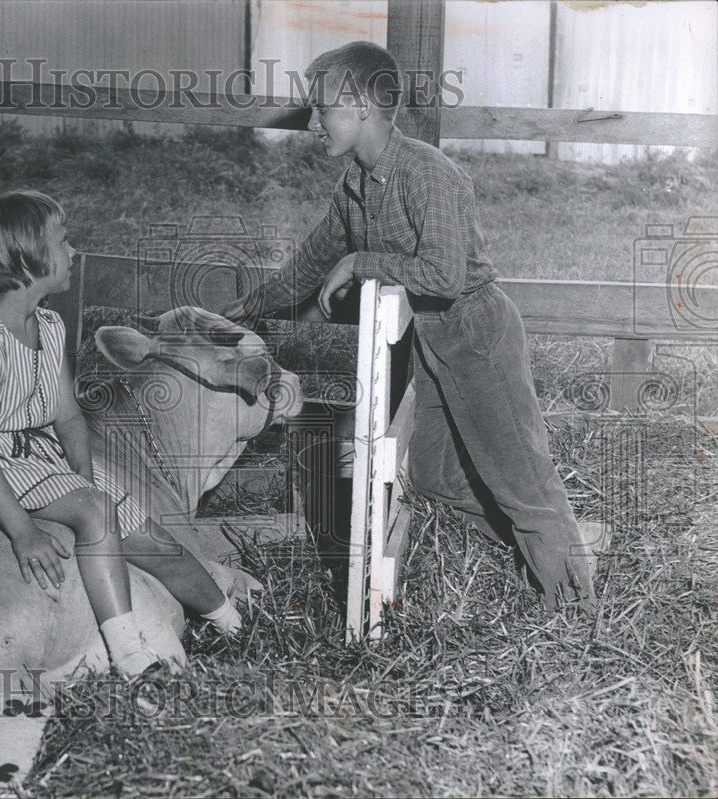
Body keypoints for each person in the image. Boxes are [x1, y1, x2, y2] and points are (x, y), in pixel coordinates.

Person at [223, 42, 594, 609]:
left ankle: (575, 606)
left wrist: (361, 262)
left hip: (476, 333)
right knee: (429, 471)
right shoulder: (354, 187)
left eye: (322, 109)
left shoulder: (428, 174)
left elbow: (444, 277)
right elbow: (309, 261)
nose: (313, 123)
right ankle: (546, 553)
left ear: (361, 107)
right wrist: (251, 305)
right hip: (432, 341)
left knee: (521, 479)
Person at [0, 189, 241, 677]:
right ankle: (129, 655)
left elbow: (69, 418)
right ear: (27, 260)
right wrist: (23, 531)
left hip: (39, 455)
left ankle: (234, 623)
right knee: (96, 514)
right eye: (64, 241)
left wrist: (83, 479)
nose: (73, 251)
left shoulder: (48, 326)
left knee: (152, 537)